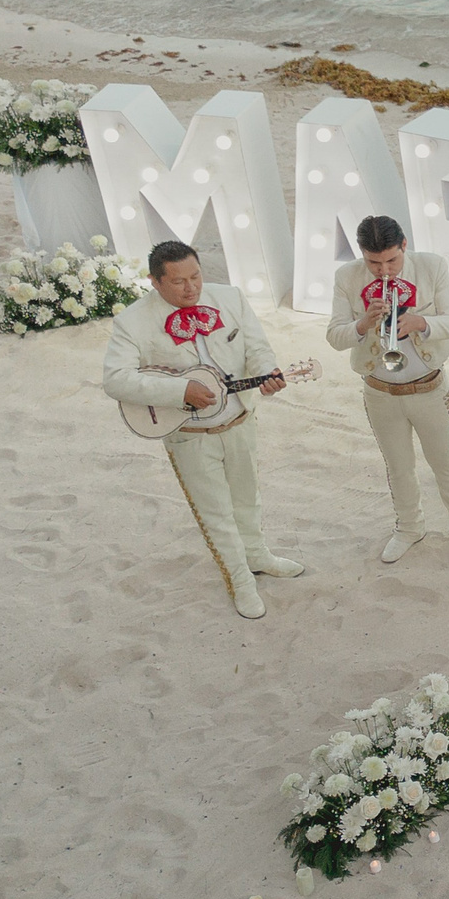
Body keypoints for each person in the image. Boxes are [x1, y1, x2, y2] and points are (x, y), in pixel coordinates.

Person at [102, 240, 302, 619]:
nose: (191, 288)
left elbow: (257, 348)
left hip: (240, 420)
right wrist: (180, 390)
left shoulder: (230, 298)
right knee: (217, 513)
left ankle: (257, 555)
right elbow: (115, 380)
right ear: (155, 282)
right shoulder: (132, 321)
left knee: (247, 497)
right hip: (190, 435)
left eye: (196, 276)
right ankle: (240, 581)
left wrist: (268, 372)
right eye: (178, 282)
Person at [327, 216, 449, 565]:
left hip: (429, 387)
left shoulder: (431, 266)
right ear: (362, 254)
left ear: (404, 245)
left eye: (391, 260)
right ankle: (408, 527)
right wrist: (363, 323)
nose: (383, 270)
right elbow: (334, 336)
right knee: (398, 465)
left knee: (445, 464)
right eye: (373, 262)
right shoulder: (347, 277)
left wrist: (421, 323)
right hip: (379, 391)